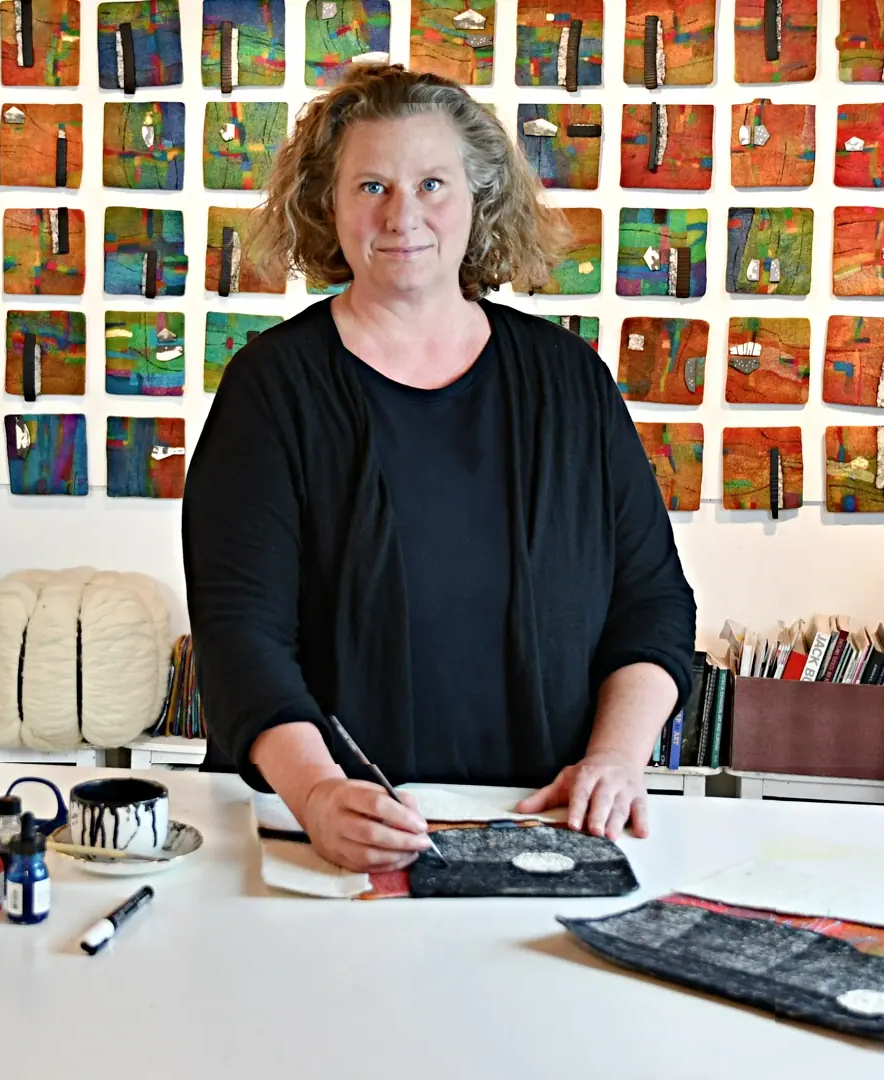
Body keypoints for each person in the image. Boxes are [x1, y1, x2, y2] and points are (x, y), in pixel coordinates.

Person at [182, 64, 697, 875]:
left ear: (478, 198)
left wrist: (617, 760)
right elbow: (238, 635)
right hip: (335, 838)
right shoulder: (271, 390)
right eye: (372, 186)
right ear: (328, 204)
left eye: (431, 183)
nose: (403, 215)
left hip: (546, 830)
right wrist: (316, 793)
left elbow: (653, 603)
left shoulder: (569, 382)